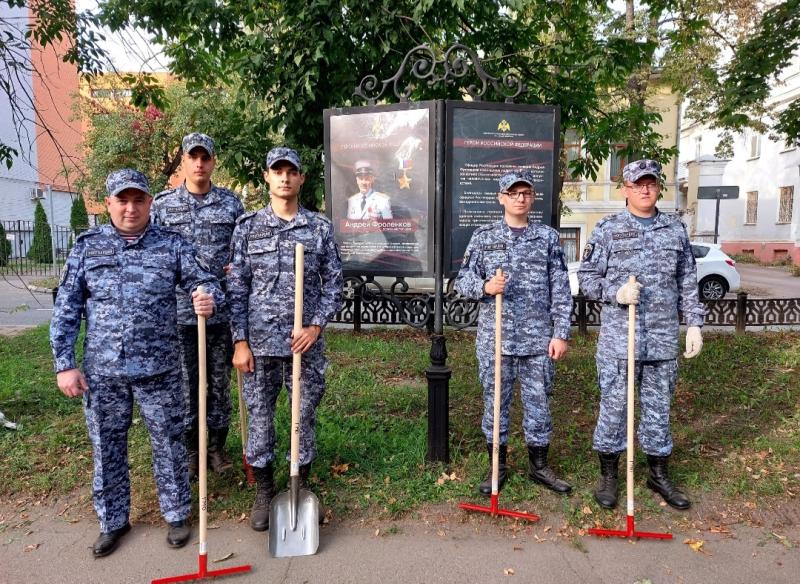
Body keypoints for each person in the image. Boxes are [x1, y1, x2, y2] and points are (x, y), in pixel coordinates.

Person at [50, 169, 223, 557]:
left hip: (159, 370)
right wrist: (65, 364)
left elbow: (206, 282)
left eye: (138, 200)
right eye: (122, 200)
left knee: (169, 442)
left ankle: (177, 514)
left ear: (150, 203)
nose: (131, 207)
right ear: (109, 203)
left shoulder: (171, 244)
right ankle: (112, 521)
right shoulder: (87, 247)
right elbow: (66, 310)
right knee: (107, 446)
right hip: (103, 373)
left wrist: (206, 297)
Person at [578, 158, 705, 511]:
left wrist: (694, 322)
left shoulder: (675, 229)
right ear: (626, 190)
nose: (645, 189)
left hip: (662, 340)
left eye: (650, 183)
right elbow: (587, 278)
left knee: (658, 410)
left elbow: (687, 281)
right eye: (637, 184)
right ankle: (609, 475)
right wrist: (615, 293)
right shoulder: (608, 229)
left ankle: (657, 474)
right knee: (614, 409)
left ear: (658, 187)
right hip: (621, 340)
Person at [228, 147, 343, 531]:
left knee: (303, 417)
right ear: (267, 177)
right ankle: (264, 491)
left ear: (301, 179)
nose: (284, 178)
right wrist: (240, 341)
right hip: (259, 346)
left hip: (303, 347)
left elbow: (335, 285)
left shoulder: (319, 228)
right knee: (260, 421)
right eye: (277, 171)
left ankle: (299, 485)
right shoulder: (248, 228)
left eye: (291, 171)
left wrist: (316, 326)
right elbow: (237, 287)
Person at [455, 170, 573, 496]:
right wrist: (485, 286)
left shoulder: (547, 238)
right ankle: (497, 466)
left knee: (539, 404)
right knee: (495, 404)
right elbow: (462, 281)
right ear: (501, 198)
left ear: (532, 198)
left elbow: (561, 289)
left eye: (526, 193)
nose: (520, 198)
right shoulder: (483, 237)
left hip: (538, 341)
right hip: (496, 341)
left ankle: (539, 466)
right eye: (513, 193)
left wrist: (561, 333)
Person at [151, 132, 245, 478]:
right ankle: (193, 449)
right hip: (179, 314)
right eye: (193, 157)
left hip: (219, 313)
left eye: (206, 157)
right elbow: (157, 253)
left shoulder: (231, 204)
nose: (200, 163)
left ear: (213, 161)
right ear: (184, 161)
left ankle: (217, 447)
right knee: (187, 388)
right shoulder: (163, 205)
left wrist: (234, 268)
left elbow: (240, 252)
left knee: (218, 386)